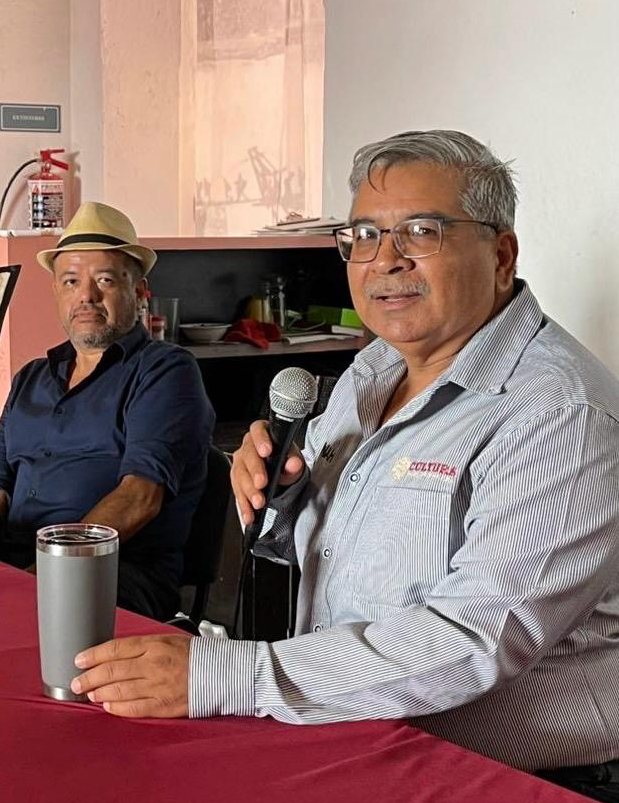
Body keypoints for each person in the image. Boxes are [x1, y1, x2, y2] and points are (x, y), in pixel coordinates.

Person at [70, 131, 619, 799]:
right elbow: (334, 557)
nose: (385, 259)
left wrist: (225, 675)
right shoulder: (374, 369)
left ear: (500, 255)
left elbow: (474, 638)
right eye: (364, 234)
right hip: (358, 734)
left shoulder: (560, 413)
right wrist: (278, 498)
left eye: (421, 231)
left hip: (518, 779)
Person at [0, 201, 215, 621]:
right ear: (56, 291)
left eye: (104, 280)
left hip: (116, 576)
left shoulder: (164, 371)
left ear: (138, 291)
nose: (86, 295)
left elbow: (140, 497)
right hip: (17, 570)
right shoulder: (30, 378)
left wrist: (40, 581)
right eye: (71, 281)